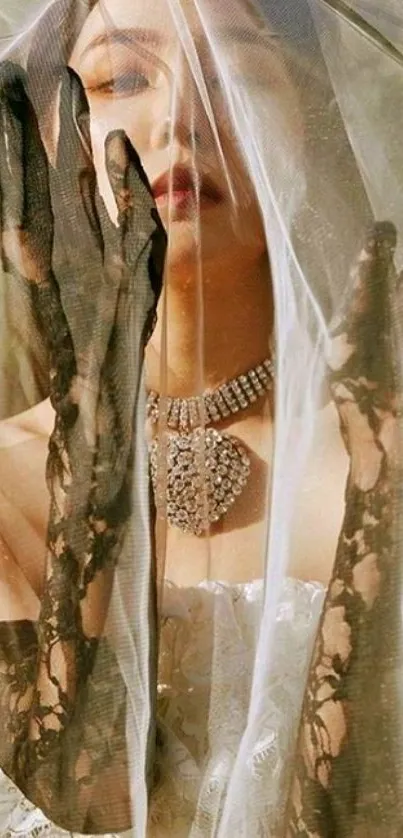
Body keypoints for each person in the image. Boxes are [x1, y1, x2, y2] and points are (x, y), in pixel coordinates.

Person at [0, 0, 401, 836]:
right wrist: (95, 458)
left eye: (234, 78)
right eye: (125, 77)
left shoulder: (386, 458)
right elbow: (80, 807)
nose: (181, 115)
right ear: (43, 139)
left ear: (310, 125)